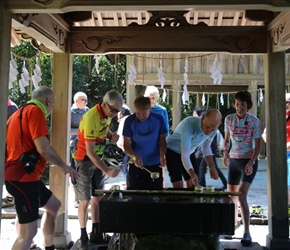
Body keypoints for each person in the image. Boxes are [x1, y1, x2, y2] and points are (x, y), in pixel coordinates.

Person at [4, 86, 79, 250]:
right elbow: (43, 149)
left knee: (53, 206)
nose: (52, 109)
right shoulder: (36, 112)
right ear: (48, 100)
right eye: (53, 105)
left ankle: (49, 246)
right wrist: (65, 166)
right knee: (28, 233)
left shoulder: (17, 114)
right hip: (23, 178)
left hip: (23, 177)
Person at [73, 90, 123, 249]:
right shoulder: (90, 118)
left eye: (118, 111)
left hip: (98, 159)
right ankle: (83, 235)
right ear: (104, 104)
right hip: (84, 160)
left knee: (98, 197)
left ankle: (96, 231)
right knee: (85, 200)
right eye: (113, 110)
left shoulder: (106, 116)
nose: (115, 114)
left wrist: (110, 136)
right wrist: (107, 170)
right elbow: (90, 152)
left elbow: (102, 130)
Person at [222, 90, 261, 247]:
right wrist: (225, 154)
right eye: (237, 104)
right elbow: (226, 140)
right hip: (233, 161)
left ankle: (247, 232)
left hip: (248, 161)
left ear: (248, 106)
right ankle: (232, 226)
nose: (239, 107)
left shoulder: (254, 121)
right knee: (231, 197)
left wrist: (251, 161)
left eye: (243, 104)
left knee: (242, 196)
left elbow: (258, 146)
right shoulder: (229, 119)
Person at [166, 109, 221, 188]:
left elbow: (206, 147)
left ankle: (190, 200)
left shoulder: (214, 128)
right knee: (177, 181)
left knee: (194, 183)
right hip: (173, 149)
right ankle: (178, 199)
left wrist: (212, 167)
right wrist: (192, 173)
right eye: (207, 127)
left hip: (190, 151)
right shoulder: (189, 124)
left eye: (212, 129)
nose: (209, 131)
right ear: (203, 118)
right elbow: (184, 154)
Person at [123, 96, 167, 190]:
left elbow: (162, 141)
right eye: (138, 114)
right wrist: (135, 156)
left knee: (156, 196)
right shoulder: (129, 121)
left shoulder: (159, 119)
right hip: (136, 163)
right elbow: (126, 144)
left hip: (155, 163)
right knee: (135, 196)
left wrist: (162, 155)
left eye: (144, 114)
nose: (141, 117)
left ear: (149, 109)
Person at [70, 92, 90, 208]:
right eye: (83, 100)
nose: (86, 102)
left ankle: (84, 195)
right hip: (74, 146)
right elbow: (67, 130)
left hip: (87, 146)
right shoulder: (70, 112)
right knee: (73, 172)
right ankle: (75, 198)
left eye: (86, 100)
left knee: (85, 170)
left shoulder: (88, 111)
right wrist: (82, 130)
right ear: (76, 101)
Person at [2, 99, 18, 208]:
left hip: (8, 143)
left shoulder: (10, 107)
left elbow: (12, 127)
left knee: (9, 170)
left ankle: (10, 198)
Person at [116, 104, 131, 177]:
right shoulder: (132, 118)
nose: (118, 120)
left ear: (121, 114)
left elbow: (121, 138)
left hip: (126, 148)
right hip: (136, 148)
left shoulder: (124, 120)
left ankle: (129, 183)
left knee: (123, 166)